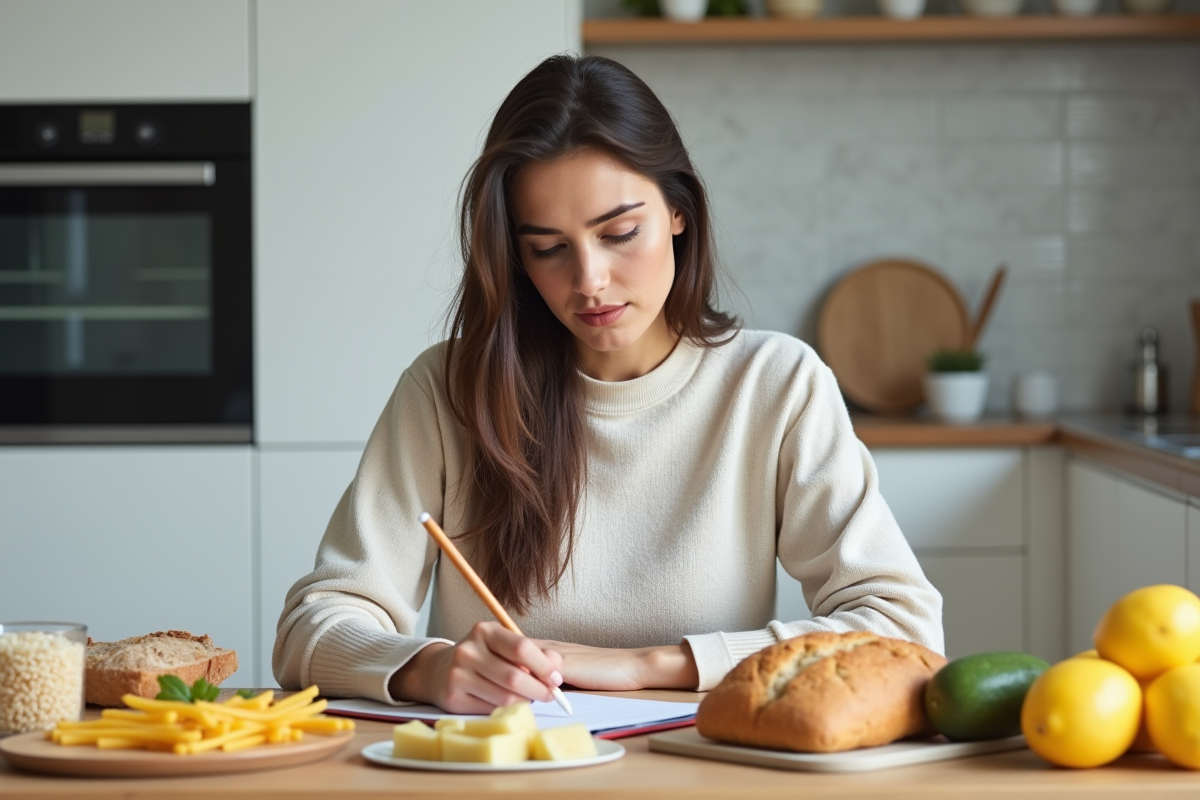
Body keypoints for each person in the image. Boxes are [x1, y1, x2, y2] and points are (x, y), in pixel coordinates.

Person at [274, 54, 943, 713]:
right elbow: (312, 628)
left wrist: (644, 667)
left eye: (619, 232)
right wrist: (428, 667)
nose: (589, 279)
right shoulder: (447, 390)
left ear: (679, 211)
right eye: (547, 247)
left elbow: (905, 629)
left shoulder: (775, 385)